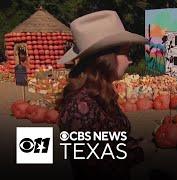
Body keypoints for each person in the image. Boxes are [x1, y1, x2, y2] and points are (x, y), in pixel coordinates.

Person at [57, 10, 147, 180]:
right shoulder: (80, 107)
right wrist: (140, 153)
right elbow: (96, 164)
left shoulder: (100, 94)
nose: (129, 60)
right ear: (107, 57)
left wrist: (133, 144)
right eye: (126, 53)